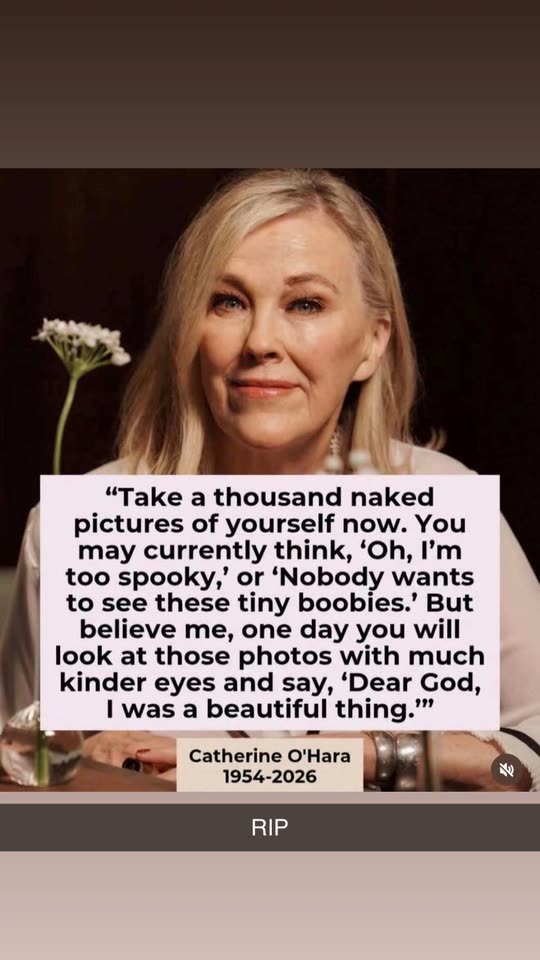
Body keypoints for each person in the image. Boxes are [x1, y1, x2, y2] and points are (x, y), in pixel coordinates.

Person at [2, 168, 539, 790]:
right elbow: (23, 774)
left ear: (371, 343)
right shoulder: (75, 528)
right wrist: (83, 765)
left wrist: (375, 753)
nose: (260, 341)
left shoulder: (448, 505)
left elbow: (523, 764)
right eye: (227, 301)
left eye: (305, 304)